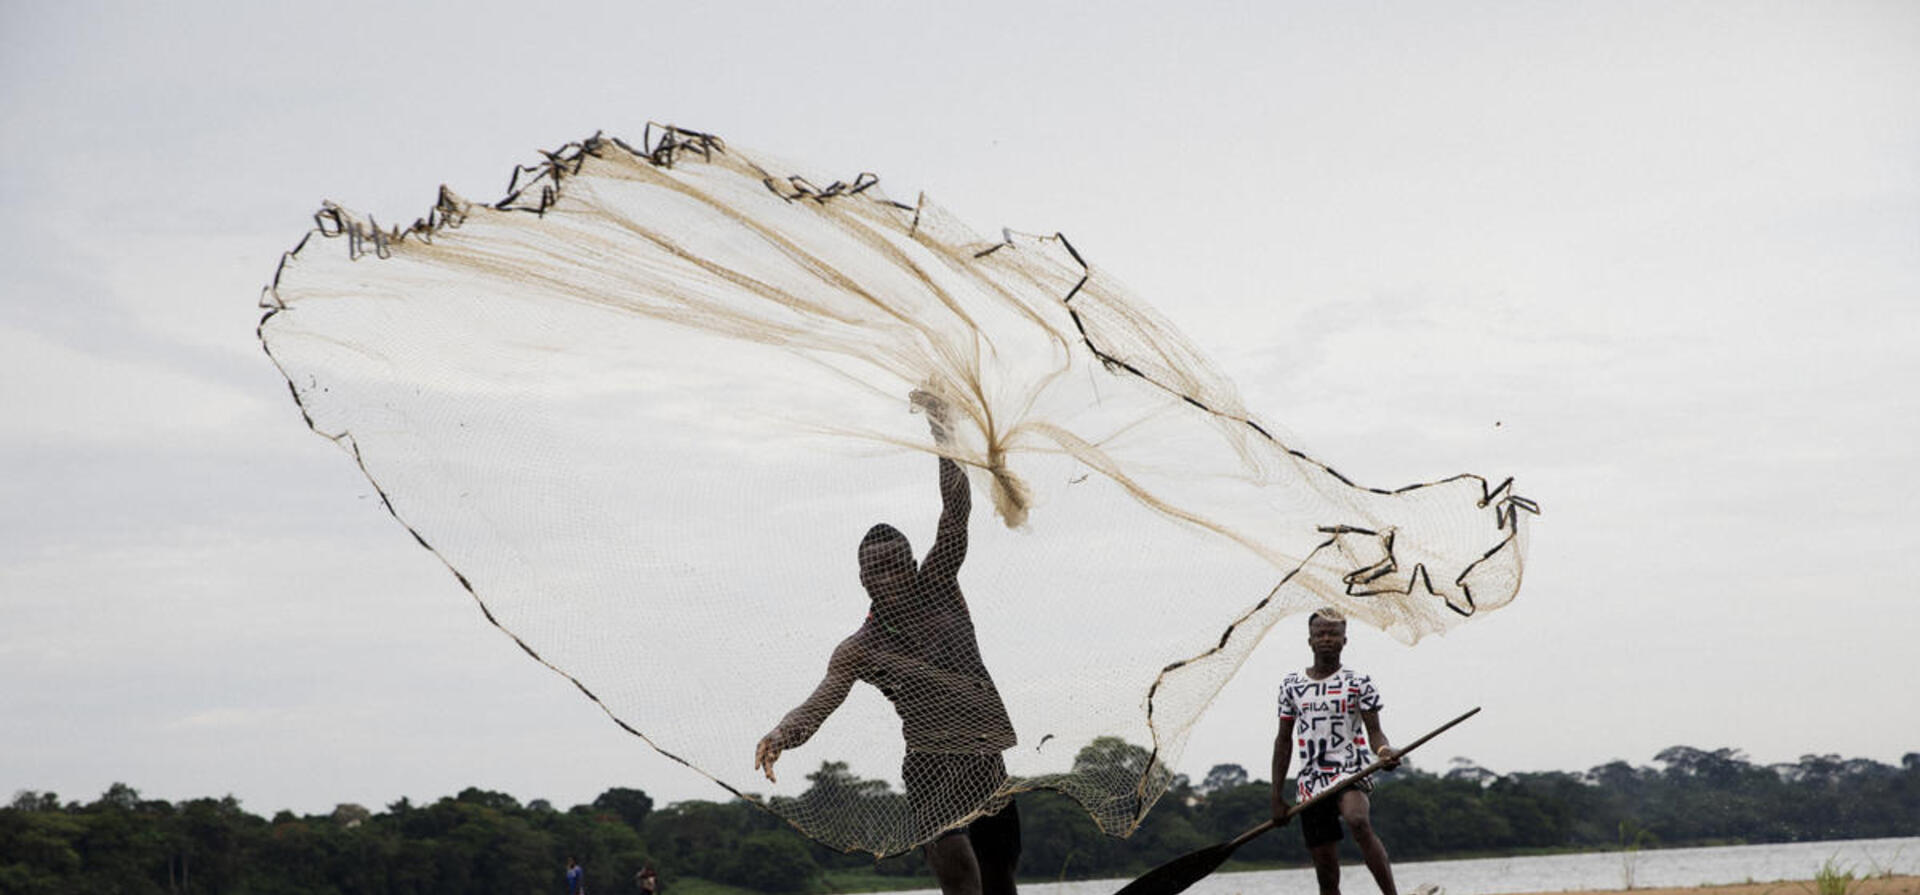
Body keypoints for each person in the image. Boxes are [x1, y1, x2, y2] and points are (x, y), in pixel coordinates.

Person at [755, 389, 1020, 895]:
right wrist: (782, 734)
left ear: (912, 565)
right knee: (960, 875)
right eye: (876, 571)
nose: (888, 577)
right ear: (863, 580)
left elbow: (955, 511)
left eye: (897, 566)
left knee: (1001, 880)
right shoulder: (860, 648)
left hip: (985, 759)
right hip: (929, 766)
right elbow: (818, 704)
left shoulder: (939, 587)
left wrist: (941, 429)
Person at [1271, 609, 1402, 895]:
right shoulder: (1292, 685)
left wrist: (1383, 752)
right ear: (1310, 641)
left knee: (1358, 820)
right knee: (1326, 872)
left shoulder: (1359, 682)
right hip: (1311, 782)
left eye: (1333, 634)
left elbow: (1375, 732)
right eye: (1320, 634)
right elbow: (1283, 741)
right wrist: (1277, 796)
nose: (1326, 639)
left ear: (1345, 640)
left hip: (1350, 770)